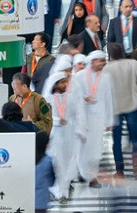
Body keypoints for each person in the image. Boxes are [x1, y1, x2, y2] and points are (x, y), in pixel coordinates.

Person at [103, 42, 137, 178]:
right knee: (135, 138)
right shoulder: (133, 64)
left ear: (110, 55)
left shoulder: (106, 69)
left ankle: (119, 171)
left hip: (115, 108)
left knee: (116, 140)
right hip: (132, 105)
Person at [74, 50, 114, 188]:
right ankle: (83, 173)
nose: (103, 63)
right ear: (92, 61)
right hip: (82, 118)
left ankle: (92, 175)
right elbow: (73, 95)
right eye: (101, 61)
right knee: (82, 147)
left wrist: (109, 120)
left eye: (104, 61)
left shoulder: (106, 77)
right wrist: (85, 97)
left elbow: (109, 99)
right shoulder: (79, 76)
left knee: (96, 150)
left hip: (98, 119)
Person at [45, 72, 83, 204]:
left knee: (68, 164)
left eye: (66, 82)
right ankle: (59, 192)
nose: (65, 84)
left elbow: (78, 114)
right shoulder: (47, 99)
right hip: (54, 136)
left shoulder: (71, 98)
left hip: (69, 134)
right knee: (57, 164)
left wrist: (80, 130)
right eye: (62, 82)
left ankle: (64, 192)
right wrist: (57, 121)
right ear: (55, 85)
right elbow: (43, 119)